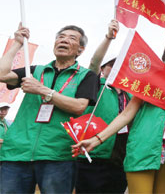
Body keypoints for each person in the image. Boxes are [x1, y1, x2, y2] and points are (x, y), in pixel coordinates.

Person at [74, 38, 165, 194]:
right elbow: (126, 114)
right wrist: (97, 139)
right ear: (164, 57)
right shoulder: (149, 81)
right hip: (144, 148)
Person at [0, 24, 99, 193]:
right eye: (60, 37)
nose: (64, 40)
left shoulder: (86, 76)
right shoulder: (34, 71)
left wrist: (42, 90)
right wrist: (17, 43)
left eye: (71, 38)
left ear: (80, 50)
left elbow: (79, 107)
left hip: (57, 156)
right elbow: (2, 74)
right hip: (17, 152)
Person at [75, 20, 130, 194]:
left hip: (121, 157)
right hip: (94, 154)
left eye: (120, 66)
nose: (115, 69)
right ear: (103, 69)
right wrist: (109, 37)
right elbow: (93, 63)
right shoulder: (97, 85)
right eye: (111, 65)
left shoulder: (131, 95)